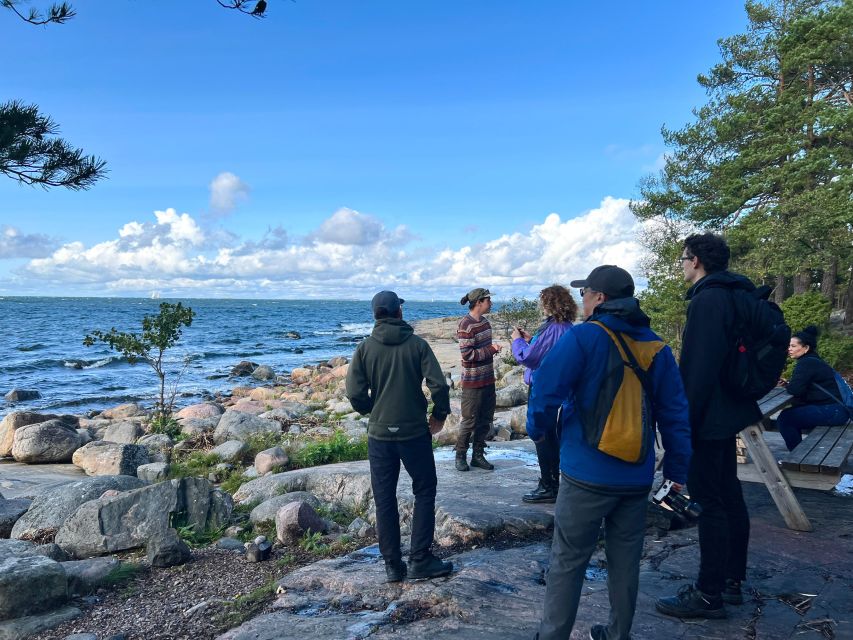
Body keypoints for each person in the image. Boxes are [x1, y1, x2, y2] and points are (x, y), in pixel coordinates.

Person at [530, 265, 692, 640]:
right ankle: (618, 634)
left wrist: (540, 432)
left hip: (585, 474)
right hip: (636, 476)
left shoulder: (585, 338)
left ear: (600, 298)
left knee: (568, 561)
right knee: (625, 562)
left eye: (585, 293)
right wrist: (676, 471)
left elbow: (544, 392)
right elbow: (675, 414)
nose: (581, 300)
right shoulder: (656, 345)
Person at [656, 232, 761, 620]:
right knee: (730, 495)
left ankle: (708, 594)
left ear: (696, 260)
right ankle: (732, 582)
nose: (682, 264)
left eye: (683, 258)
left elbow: (697, 371)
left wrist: (681, 427)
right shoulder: (735, 293)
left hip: (708, 417)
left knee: (710, 502)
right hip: (729, 410)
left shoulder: (708, 300)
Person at [345, 291, 453, 583]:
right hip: (413, 432)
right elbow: (438, 385)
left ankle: (392, 565)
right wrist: (439, 415)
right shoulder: (417, 345)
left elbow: (354, 393)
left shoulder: (365, 348)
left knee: (384, 498)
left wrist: (374, 409)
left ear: (375, 315)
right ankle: (420, 559)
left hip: (380, 434)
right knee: (424, 490)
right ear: (399, 313)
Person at [511, 284, 577, 503]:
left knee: (541, 434)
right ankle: (554, 483)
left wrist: (517, 341)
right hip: (562, 387)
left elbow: (528, 358)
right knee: (553, 435)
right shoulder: (566, 326)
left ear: (550, 303)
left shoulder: (553, 327)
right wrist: (532, 340)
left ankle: (548, 485)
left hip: (545, 386)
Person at [776, 325, 849, 451]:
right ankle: (799, 454)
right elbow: (802, 387)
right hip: (837, 410)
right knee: (792, 414)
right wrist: (789, 384)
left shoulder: (806, 363)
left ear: (806, 348)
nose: (789, 349)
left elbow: (795, 391)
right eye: (789, 346)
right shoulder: (813, 360)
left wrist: (790, 386)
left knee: (785, 418)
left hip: (832, 411)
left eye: (793, 346)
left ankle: (797, 457)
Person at [456, 287, 502, 472]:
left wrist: (492, 350)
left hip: (488, 380)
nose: (491, 304)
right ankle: (460, 456)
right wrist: (492, 349)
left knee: (485, 420)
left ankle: (478, 456)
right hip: (472, 383)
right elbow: (467, 355)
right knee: (469, 421)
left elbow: (479, 353)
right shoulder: (465, 325)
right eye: (488, 300)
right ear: (479, 302)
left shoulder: (485, 323)